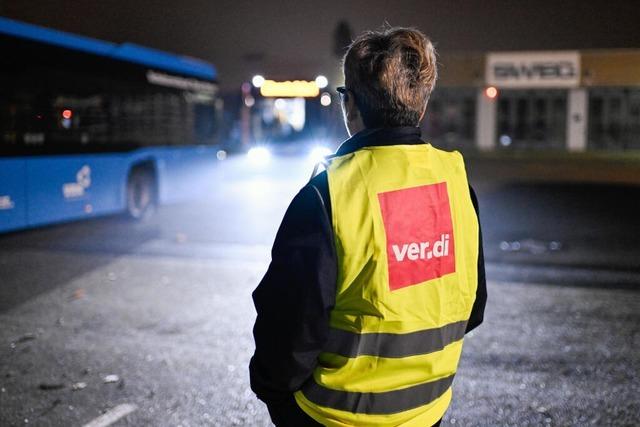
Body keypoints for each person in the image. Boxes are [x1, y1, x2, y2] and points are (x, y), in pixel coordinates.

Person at [250, 26, 486, 427]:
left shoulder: (329, 194)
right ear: (422, 106)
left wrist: (275, 394)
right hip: (428, 411)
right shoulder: (456, 183)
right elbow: (474, 308)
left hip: (331, 416)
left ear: (350, 105)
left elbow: (290, 328)